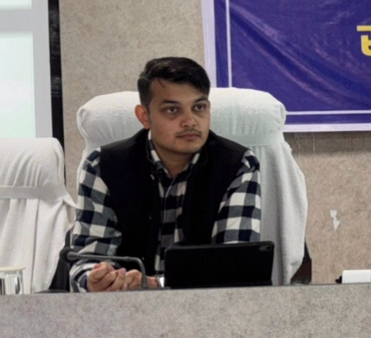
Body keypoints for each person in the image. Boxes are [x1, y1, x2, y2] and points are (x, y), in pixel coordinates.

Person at [69, 57, 261, 291]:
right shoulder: (102, 166)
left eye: (199, 108)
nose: (190, 121)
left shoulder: (238, 165)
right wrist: (95, 281)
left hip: (206, 304)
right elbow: (86, 261)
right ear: (144, 116)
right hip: (123, 305)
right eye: (172, 110)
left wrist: (155, 284)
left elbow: (235, 265)